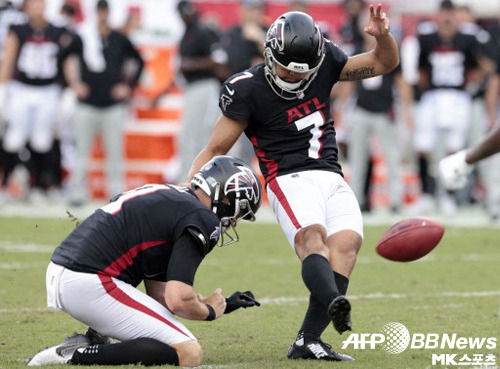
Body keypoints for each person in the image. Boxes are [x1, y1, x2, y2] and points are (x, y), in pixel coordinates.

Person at [188, 5, 399, 361]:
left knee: (346, 246)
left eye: (303, 71)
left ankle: (308, 340)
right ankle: (334, 301)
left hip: (331, 173)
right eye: (286, 68)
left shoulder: (327, 59)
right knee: (312, 240)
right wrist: (188, 195)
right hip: (287, 177)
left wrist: (382, 36)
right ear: (270, 54)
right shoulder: (247, 88)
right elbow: (215, 148)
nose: (294, 77)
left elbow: (383, 63)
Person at [27, 155, 262, 367]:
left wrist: (223, 304)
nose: (234, 221)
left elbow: (160, 295)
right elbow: (178, 299)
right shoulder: (201, 217)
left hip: (69, 272)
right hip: (90, 280)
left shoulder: (170, 195)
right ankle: (75, 354)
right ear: (229, 197)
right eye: (240, 212)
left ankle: (93, 338)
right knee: (189, 352)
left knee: (167, 337)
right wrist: (209, 311)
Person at [65, 0, 144, 206]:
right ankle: (77, 193)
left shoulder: (118, 38)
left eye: (105, 11)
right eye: (99, 11)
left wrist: (128, 86)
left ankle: (115, 193)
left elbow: (139, 61)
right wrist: (73, 84)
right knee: (82, 151)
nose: (102, 15)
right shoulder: (83, 36)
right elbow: (62, 57)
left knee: (115, 152)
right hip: (87, 104)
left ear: (108, 13)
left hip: (112, 106)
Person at [411, 0, 482, 214]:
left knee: (455, 149)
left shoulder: (467, 39)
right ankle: (427, 194)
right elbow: (421, 71)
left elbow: (477, 69)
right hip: (433, 95)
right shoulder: (427, 38)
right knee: (423, 146)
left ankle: (448, 196)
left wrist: (465, 86)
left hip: (457, 96)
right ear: (438, 15)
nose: (447, 17)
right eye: (443, 13)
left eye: (450, 13)